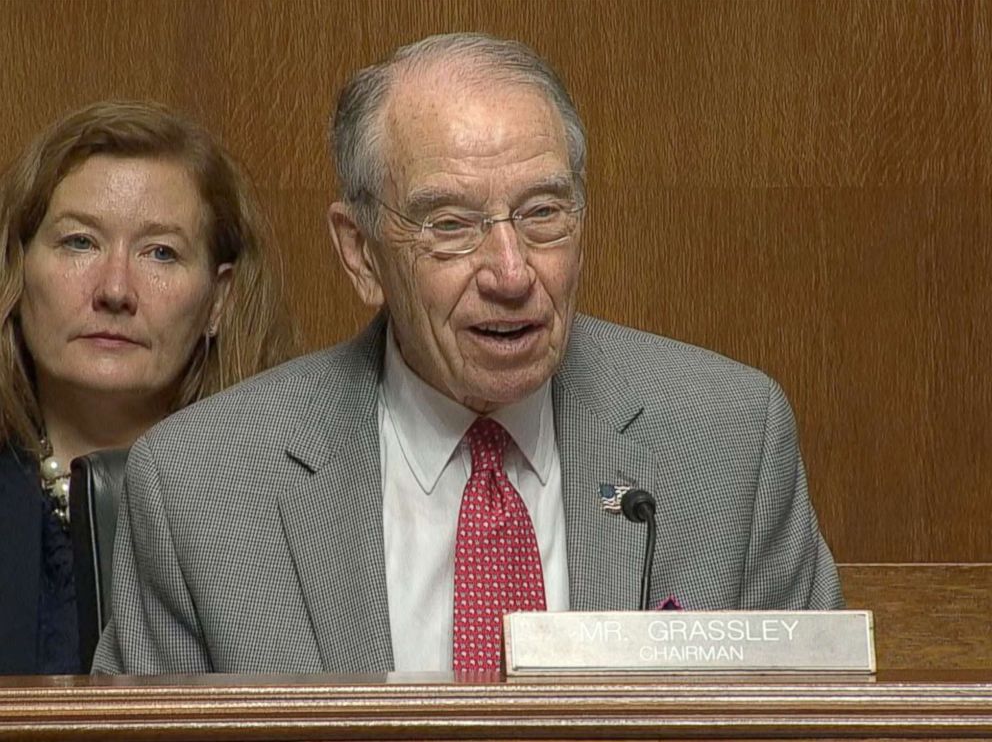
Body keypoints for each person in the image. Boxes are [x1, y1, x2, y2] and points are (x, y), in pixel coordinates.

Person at [93, 34, 843, 676]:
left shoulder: (729, 439)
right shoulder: (203, 486)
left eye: (543, 213)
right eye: (450, 224)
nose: (512, 273)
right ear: (360, 253)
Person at [0, 100, 295, 674]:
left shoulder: (278, 512)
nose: (115, 289)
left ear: (219, 299)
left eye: (161, 252)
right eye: (79, 243)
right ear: (17, 270)